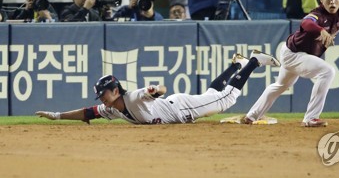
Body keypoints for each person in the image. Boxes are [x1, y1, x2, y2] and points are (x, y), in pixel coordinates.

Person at [35, 51, 280, 124]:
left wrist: (156, 91)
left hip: (183, 108)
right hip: (178, 109)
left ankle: (253, 62)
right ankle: (235, 64)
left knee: (226, 99)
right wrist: (56, 116)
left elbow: (160, 88)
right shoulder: (113, 109)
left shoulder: (133, 97)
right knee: (212, 94)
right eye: (101, 95)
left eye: (104, 93)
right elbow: (87, 113)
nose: (101, 98)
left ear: (115, 90)